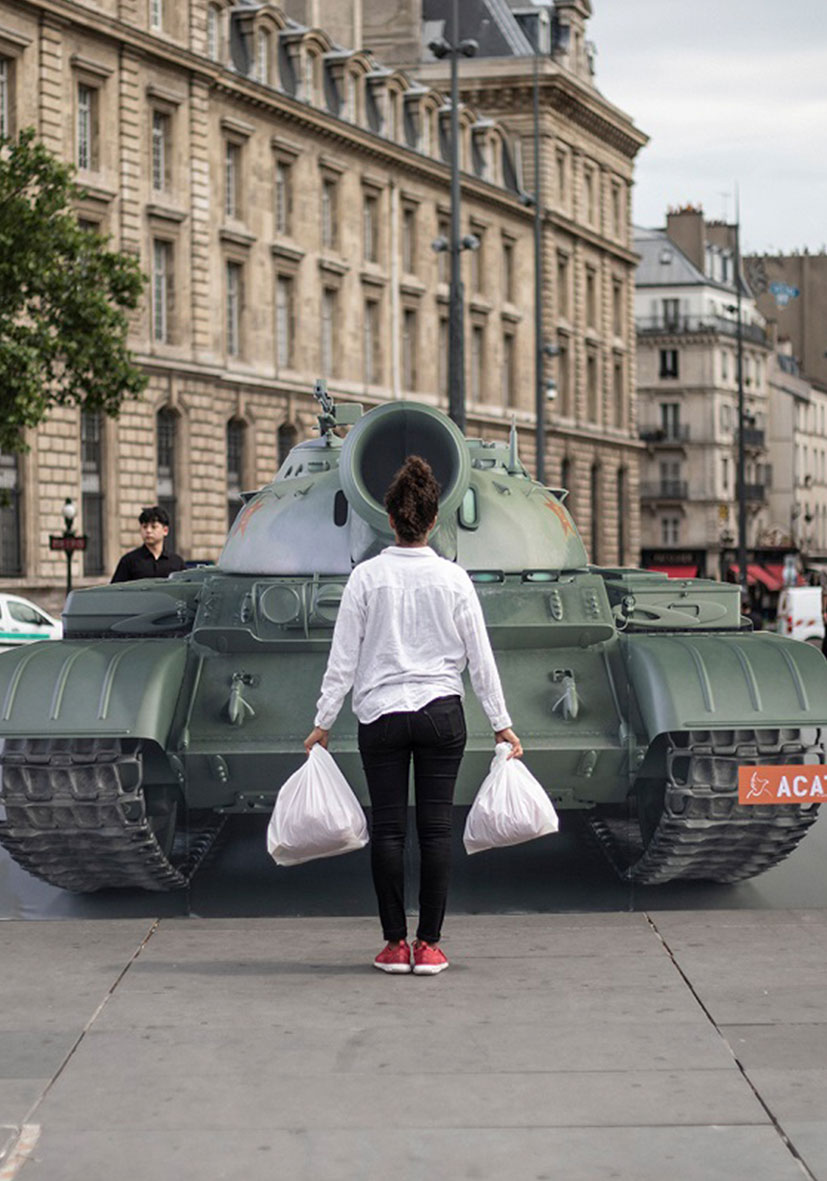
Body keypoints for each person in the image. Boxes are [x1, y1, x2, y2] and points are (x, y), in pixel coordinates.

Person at [304, 456, 521, 977]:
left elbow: (344, 660)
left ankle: (393, 944)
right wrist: (501, 721)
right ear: (431, 519)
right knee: (436, 829)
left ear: (390, 516)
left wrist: (323, 720)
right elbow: (480, 657)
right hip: (441, 714)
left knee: (388, 831)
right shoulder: (454, 579)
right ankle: (430, 946)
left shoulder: (365, 579)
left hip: (380, 715)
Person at [111, 505, 185, 583]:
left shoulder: (176, 562)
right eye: (145, 527)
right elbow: (115, 590)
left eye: (153, 527)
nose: (148, 531)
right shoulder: (129, 561)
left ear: (165, 530)